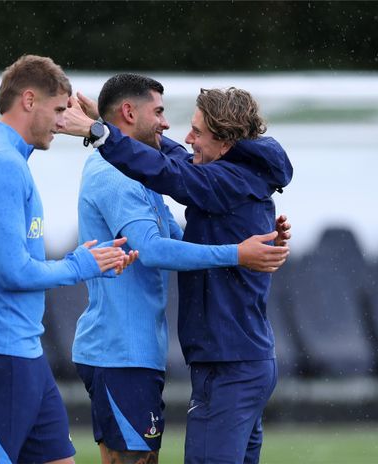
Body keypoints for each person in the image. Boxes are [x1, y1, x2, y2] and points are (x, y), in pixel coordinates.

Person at [63, 87, 292, 463]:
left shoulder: (222, 181)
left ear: (225, 143)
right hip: (240, 360)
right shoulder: (238, 176)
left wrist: (99, 132)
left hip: (228, 364)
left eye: (197, 132)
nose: (185, 137)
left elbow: (168, 172)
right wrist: (105, 127)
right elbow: (172, 165)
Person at [0, 55, 135, 464]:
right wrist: (81, 265)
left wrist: (89, 261)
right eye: (59, 109)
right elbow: (12, 271)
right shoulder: (0, 164)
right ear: (29, 100)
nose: (64, 122)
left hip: (22, 351)